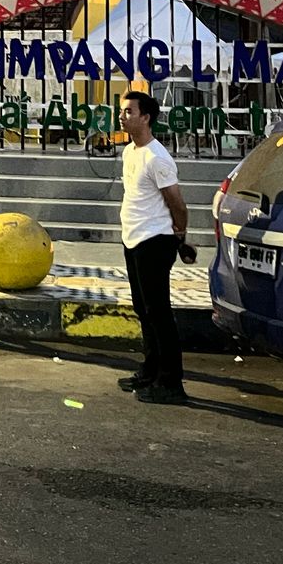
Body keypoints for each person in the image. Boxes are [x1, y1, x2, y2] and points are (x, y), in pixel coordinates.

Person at [116, 91, 191, 406]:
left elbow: (177, 203)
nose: (122, 116)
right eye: (122, 111)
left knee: (159, 312)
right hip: (133, 238)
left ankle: (171, 382)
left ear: (145, 117)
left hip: (155, 240)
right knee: (143, 308)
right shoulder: (130, 152)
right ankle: (150, 369)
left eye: (128, 111)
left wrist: (179, 233)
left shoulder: (157, 157)